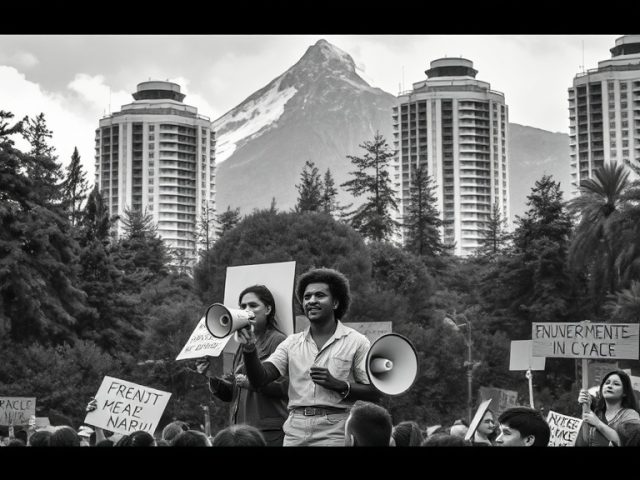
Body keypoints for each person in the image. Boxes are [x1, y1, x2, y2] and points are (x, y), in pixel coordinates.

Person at [238, 267, 379, 446]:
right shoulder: (291, 343)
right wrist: (249, 348)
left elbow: (375, 392)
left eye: (319, 295)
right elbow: (260, 379)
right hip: (294, 429)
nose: (311, 301)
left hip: (335, 429)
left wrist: (339, 385)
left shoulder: (357, 341)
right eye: (306, 297)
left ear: (335, 303)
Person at [196, 285, 289, 446]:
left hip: (267, 434)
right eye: (243, 306)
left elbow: (285, 388)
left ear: (267, 309)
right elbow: (232, 393)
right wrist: (211, 375)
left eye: (253, 305)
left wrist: (250, 383)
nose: (247, 310)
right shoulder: (241, 345)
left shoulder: (279, 340)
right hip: (241, 434)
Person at [575, 369, 640, 447]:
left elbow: (627, 442)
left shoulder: (630, 414)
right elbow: (584, 440)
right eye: (607, 383)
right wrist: (585, 407)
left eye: (616, 384)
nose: (609, 386)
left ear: (624, 393)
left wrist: (597, 423)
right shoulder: (597, 413)